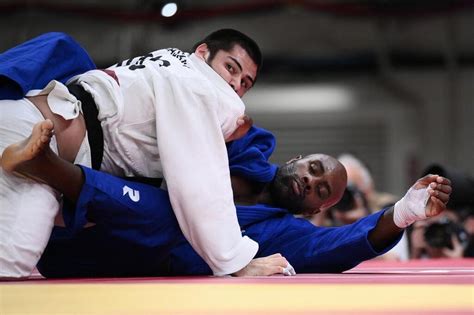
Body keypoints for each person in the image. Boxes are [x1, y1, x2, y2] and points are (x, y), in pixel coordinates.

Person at [1, 120, 451, 277]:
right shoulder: (244, 148)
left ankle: (40, 164)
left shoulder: (288, 233)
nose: (310, 182)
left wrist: (406, 211)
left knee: (164, 216)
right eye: (313, 170)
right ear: (295, 159)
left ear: (316, 210)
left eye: (320, 192)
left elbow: (345, 243)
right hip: (98, 181)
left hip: (109, 251)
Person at [0, 29, 283, 278]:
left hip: (20, 118)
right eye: (231, 68)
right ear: (203, 53)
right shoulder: (198, 85)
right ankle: (40, 164)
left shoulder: (165, 61)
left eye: (245, 83)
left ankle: (39, 164)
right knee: (12, 264)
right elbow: (199, 181)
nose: (234, 84)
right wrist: (234, 258)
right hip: (39, 136)